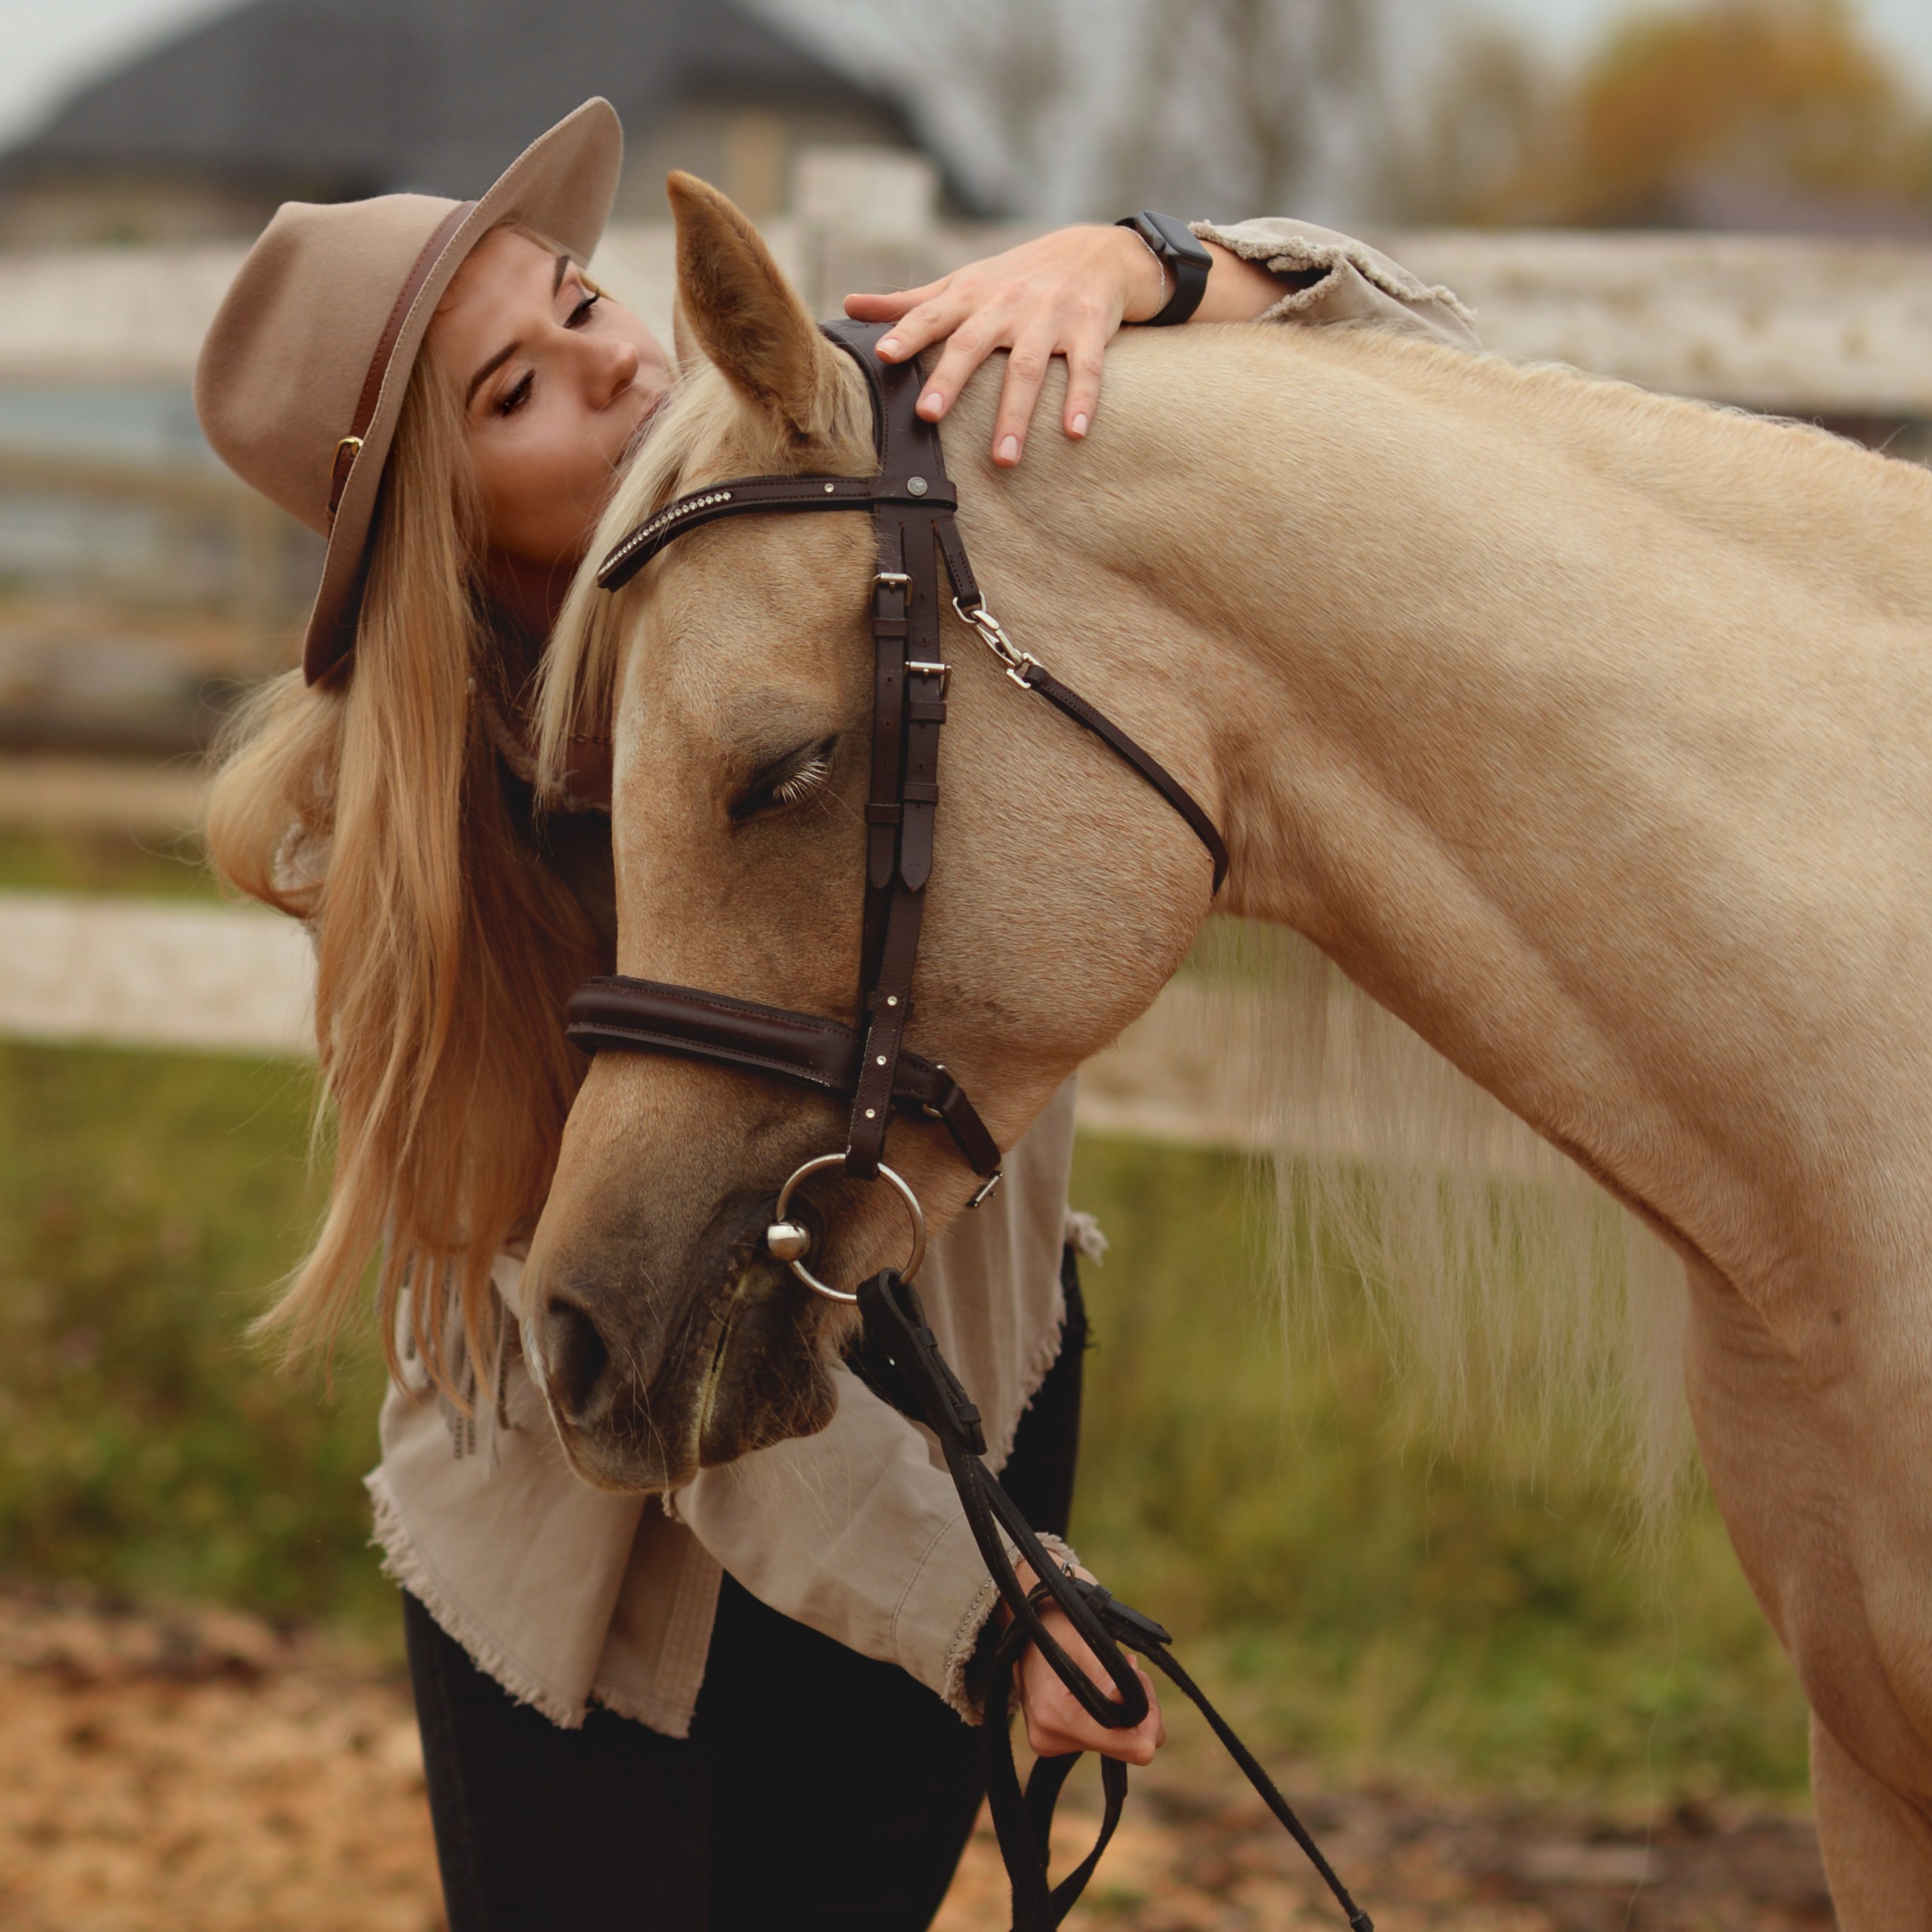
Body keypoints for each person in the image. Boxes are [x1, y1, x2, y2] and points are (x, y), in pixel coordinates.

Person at [196, 97, 1477, 1932]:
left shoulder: (856, 499)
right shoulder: (428, 860)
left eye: (575, 300)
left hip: (960, 1422)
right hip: (599, 1562)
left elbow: (1440, 389)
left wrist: (1131, 266)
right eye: (513, 394)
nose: (617, 359)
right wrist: (978, 1603)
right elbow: (638, 1314)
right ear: (435, 521)